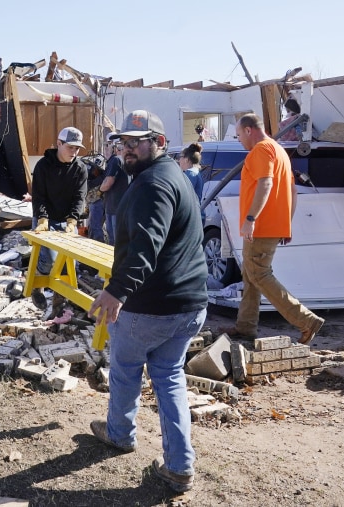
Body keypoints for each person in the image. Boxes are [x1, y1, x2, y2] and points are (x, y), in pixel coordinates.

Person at [88, 110, 208, 493]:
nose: (127, 150)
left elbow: (145, 248)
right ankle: (179, 465)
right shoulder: (174, 175)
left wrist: (117, 290)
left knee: (125, 368)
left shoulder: (152, 185)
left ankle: (120, 433)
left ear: (158, 142)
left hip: (152, 305)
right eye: (122, 143)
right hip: (189, 305)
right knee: (169, 377)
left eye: (136, 143)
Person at [221, 113, 324, 344]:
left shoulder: (261, 150)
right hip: (270, 226)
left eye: (238, 135)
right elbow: (292, 192)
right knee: (251, 276)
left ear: (249, 130)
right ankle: (245, 327)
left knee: (259, 274)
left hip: (260, 227)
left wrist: (250, 217)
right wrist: (286, 223)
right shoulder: (280, 152)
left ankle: (307, 321)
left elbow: (265, 182)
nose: (239, 140)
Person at [30, 126, 89, 308]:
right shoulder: (43, 166)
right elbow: (39, 196)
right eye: (70, 147)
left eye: (77, 148)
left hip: (66, 220)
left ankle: (58, 301)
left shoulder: (80, 168)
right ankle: (37, 287)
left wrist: (73, 220)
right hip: (45, 218)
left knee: (66, 262)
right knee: (48, 259)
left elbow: (80, 197)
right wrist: (42, 219)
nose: (74, 151)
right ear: (59, 144)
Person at [98, 135, 129, 245]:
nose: (106, 149)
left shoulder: (115, 159)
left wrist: (98, 190)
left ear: (114, 147)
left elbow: (108, 183)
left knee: (114, 243)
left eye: (107, 146)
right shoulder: (125, 160)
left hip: (115, 209)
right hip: (119, 208)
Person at [86, 155, 107, 243]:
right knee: (94, 227)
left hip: (98, 202)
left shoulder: (101, 178)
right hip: (94, 202)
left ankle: (98, 247)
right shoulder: (91, 180)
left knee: (95, 227)